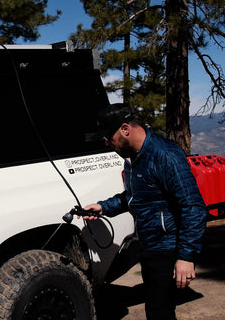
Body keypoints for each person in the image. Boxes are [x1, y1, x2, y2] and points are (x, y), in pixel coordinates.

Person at [84, 103, 207, 320]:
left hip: (168, 248)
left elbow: (193, 207)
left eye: (108, 137)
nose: (107, 143)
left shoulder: (165, 155)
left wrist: (186, 257)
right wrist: (103, 207)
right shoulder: (133, 158)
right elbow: (135, 197)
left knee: (159, 312)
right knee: (158, 311)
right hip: (149, 246)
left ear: (125, 129)